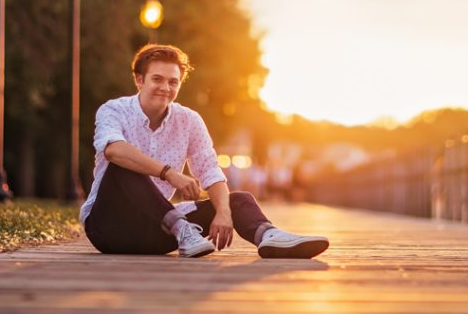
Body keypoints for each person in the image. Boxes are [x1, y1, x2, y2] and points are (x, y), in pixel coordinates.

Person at [81, 44, 329, 259]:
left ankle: (269, 235)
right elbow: (113, 150)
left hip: (157, 231)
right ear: (139, 80)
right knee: (124, 165)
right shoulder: (114, 110)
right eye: (157, 79)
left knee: (237, 200)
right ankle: (181, 229)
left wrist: (223, 212)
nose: (165, 87)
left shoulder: (189, 120)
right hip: (108, 229)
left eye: (173, 82)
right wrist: (169, 173)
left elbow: (210, 169)